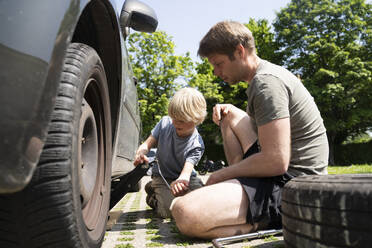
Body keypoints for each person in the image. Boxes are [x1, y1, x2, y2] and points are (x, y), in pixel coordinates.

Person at [170, 21, 329, 239]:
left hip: (294, 183)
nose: (216, 72)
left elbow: (276, 161)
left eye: (219, 64)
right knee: (228, 113)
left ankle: (277, 219)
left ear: (239, 51)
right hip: (279, 171)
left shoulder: (266, 84)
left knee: (183, 212)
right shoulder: (262, 77)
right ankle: (239, 193)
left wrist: (220, 175)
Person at [134, 87, 207, 218]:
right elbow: (147, 143)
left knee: (203, 203)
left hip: (185, 178)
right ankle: (153, 194)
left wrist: (181, 181)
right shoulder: (165, 123)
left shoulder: (197, 144)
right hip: (162, 177)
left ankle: (164, 192)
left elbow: (186, 172)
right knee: (168, 211)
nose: (174, 123)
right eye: (173, 117)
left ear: (197, 119)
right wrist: (141, 153)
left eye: (181, 120)